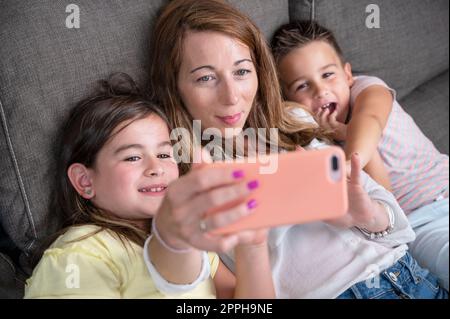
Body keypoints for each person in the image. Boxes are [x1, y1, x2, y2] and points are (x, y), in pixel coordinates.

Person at [149, 0, 448, 298]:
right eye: (206, 78)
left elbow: (399, 228)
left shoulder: (293, 123)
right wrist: (250, 247)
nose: (232, 97)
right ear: (174, 86)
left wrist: (365, 214)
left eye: (241, 72)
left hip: (413, 278)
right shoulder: (182, 181)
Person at [24, 73, 274, 298]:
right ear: (85, 181)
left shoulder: (195, 239)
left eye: (165, 155)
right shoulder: (81, 252)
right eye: (132, 157)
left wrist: (252, 245)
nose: (157, 167)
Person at [271, 20, 449, 291]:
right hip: (421, 223)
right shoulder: (316, 143)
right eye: (302, 86)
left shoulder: (367, 89)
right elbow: (386, 199)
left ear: (348, 74)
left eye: (328, 75)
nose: (321, 90)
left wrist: (345, 145)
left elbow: (371, 121)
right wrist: (337, 142)